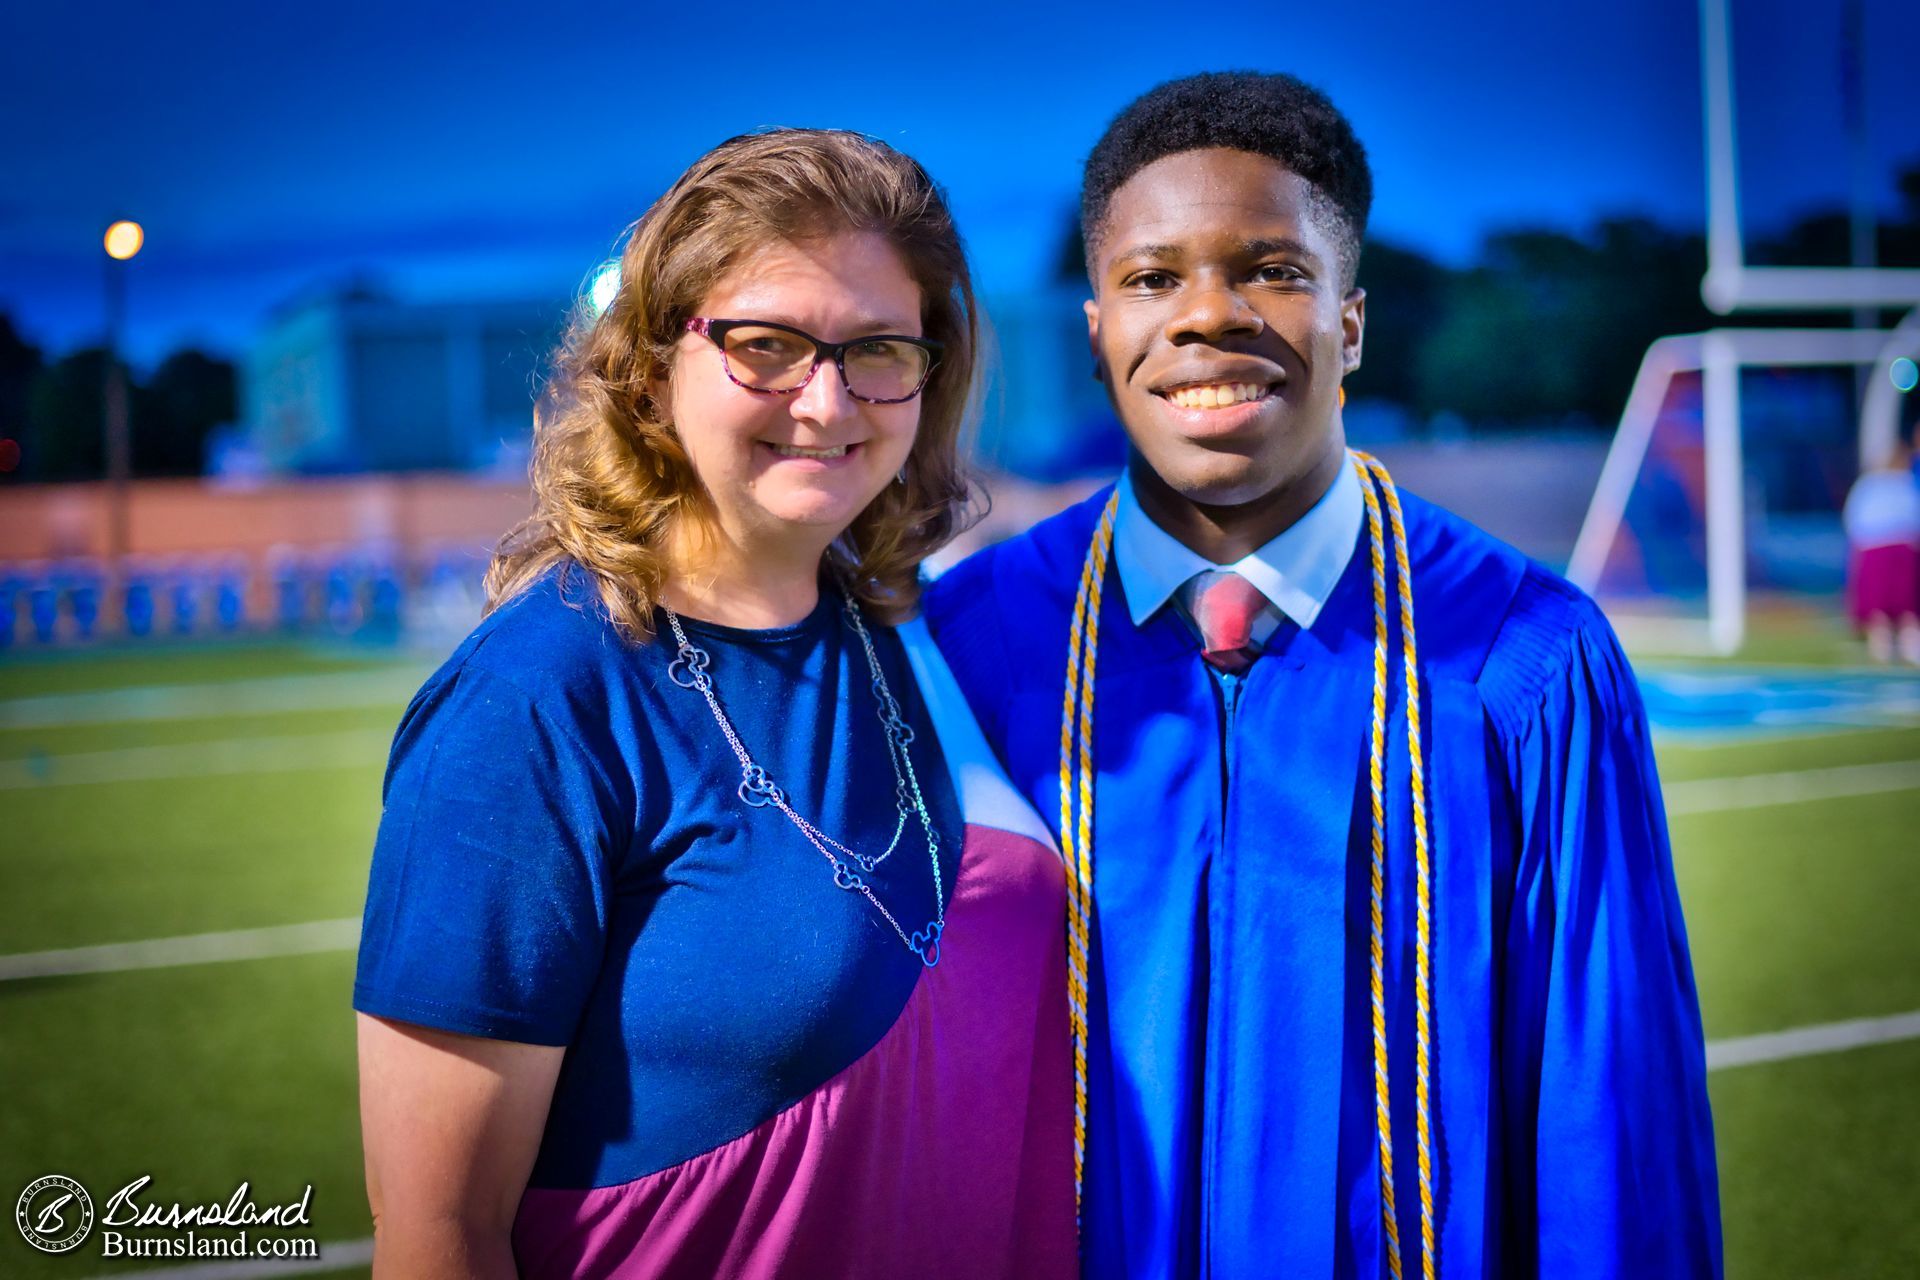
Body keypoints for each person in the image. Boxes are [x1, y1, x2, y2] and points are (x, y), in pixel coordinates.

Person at [924, 73, 1723, 1279]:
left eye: (1275, 270)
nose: (1209, 315)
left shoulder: (1523, 657)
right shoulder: (969, 640)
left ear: (1351, 318)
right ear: (1096, 332)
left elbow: (1610, 1117)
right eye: (1152, 278)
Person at [353, 129, 1072, 1280]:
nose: (827, 397)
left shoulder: (929, 635)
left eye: (880, 348)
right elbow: (442, 1231)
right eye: (767, 345)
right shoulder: (532, 703)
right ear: (649, 371)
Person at [1841, 434, 1920, 664]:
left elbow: (1854, 519)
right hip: (1901, 548)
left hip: (1875, 548)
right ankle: (1907, 646)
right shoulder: (1905, 485)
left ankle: (1885, 648)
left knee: (1882, 605)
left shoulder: (1871, 485)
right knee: (1904, 604)